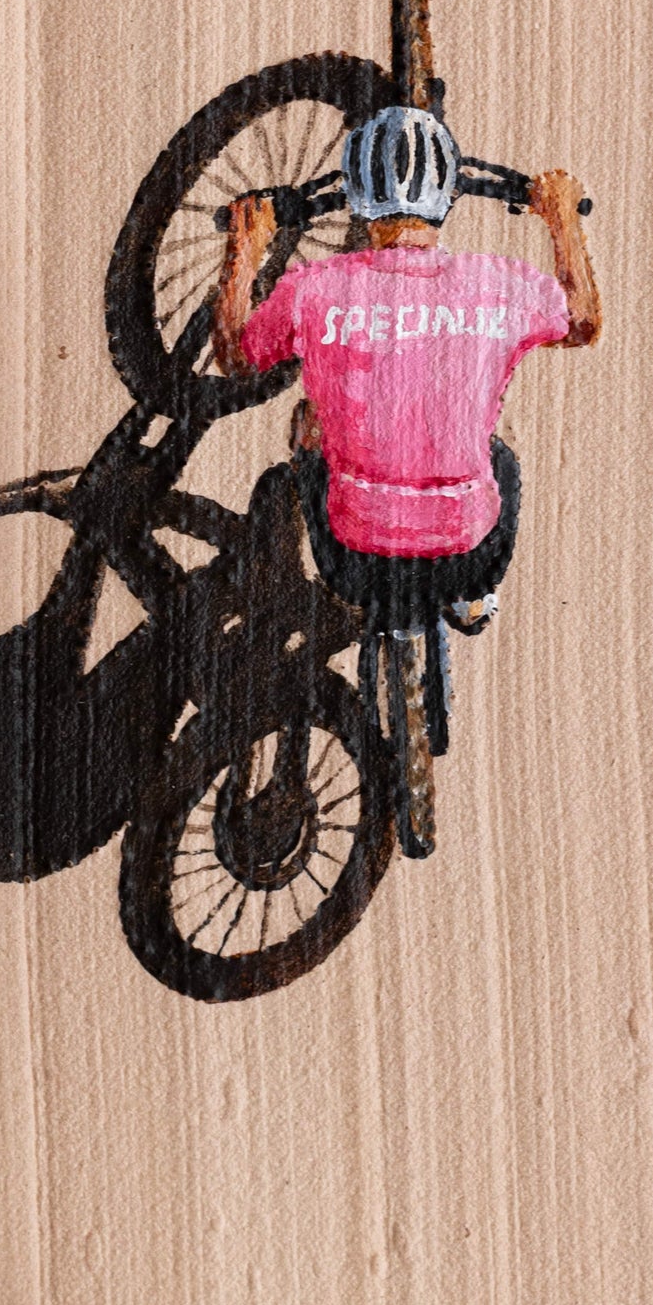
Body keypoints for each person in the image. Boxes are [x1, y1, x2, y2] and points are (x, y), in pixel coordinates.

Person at [210, 101, 600, 853]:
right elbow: (583, 321)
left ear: (358, 200)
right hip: (470, 547)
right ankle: (476, 598)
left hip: (351, 557)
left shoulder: (314, 287)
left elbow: (234, 354)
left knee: (308, 428)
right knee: (498, 452)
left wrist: (245, 249)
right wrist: (560, 220)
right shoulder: (498, 282)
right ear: (448, 196)